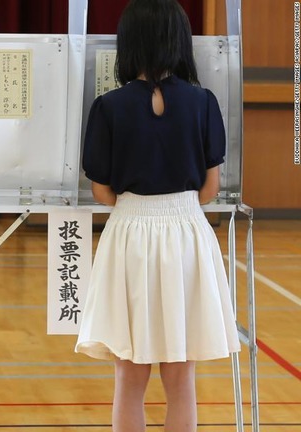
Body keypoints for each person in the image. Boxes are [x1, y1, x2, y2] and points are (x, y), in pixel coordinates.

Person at [74, 0, 241, 431]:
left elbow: (101, 190)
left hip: (129, 233)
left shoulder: (109, 107)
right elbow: (210, 189)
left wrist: (136, 203)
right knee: (181, 373)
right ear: (180, 42)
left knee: (129, 374)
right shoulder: (202, 102)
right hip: (187, 233)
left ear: (127, 43)